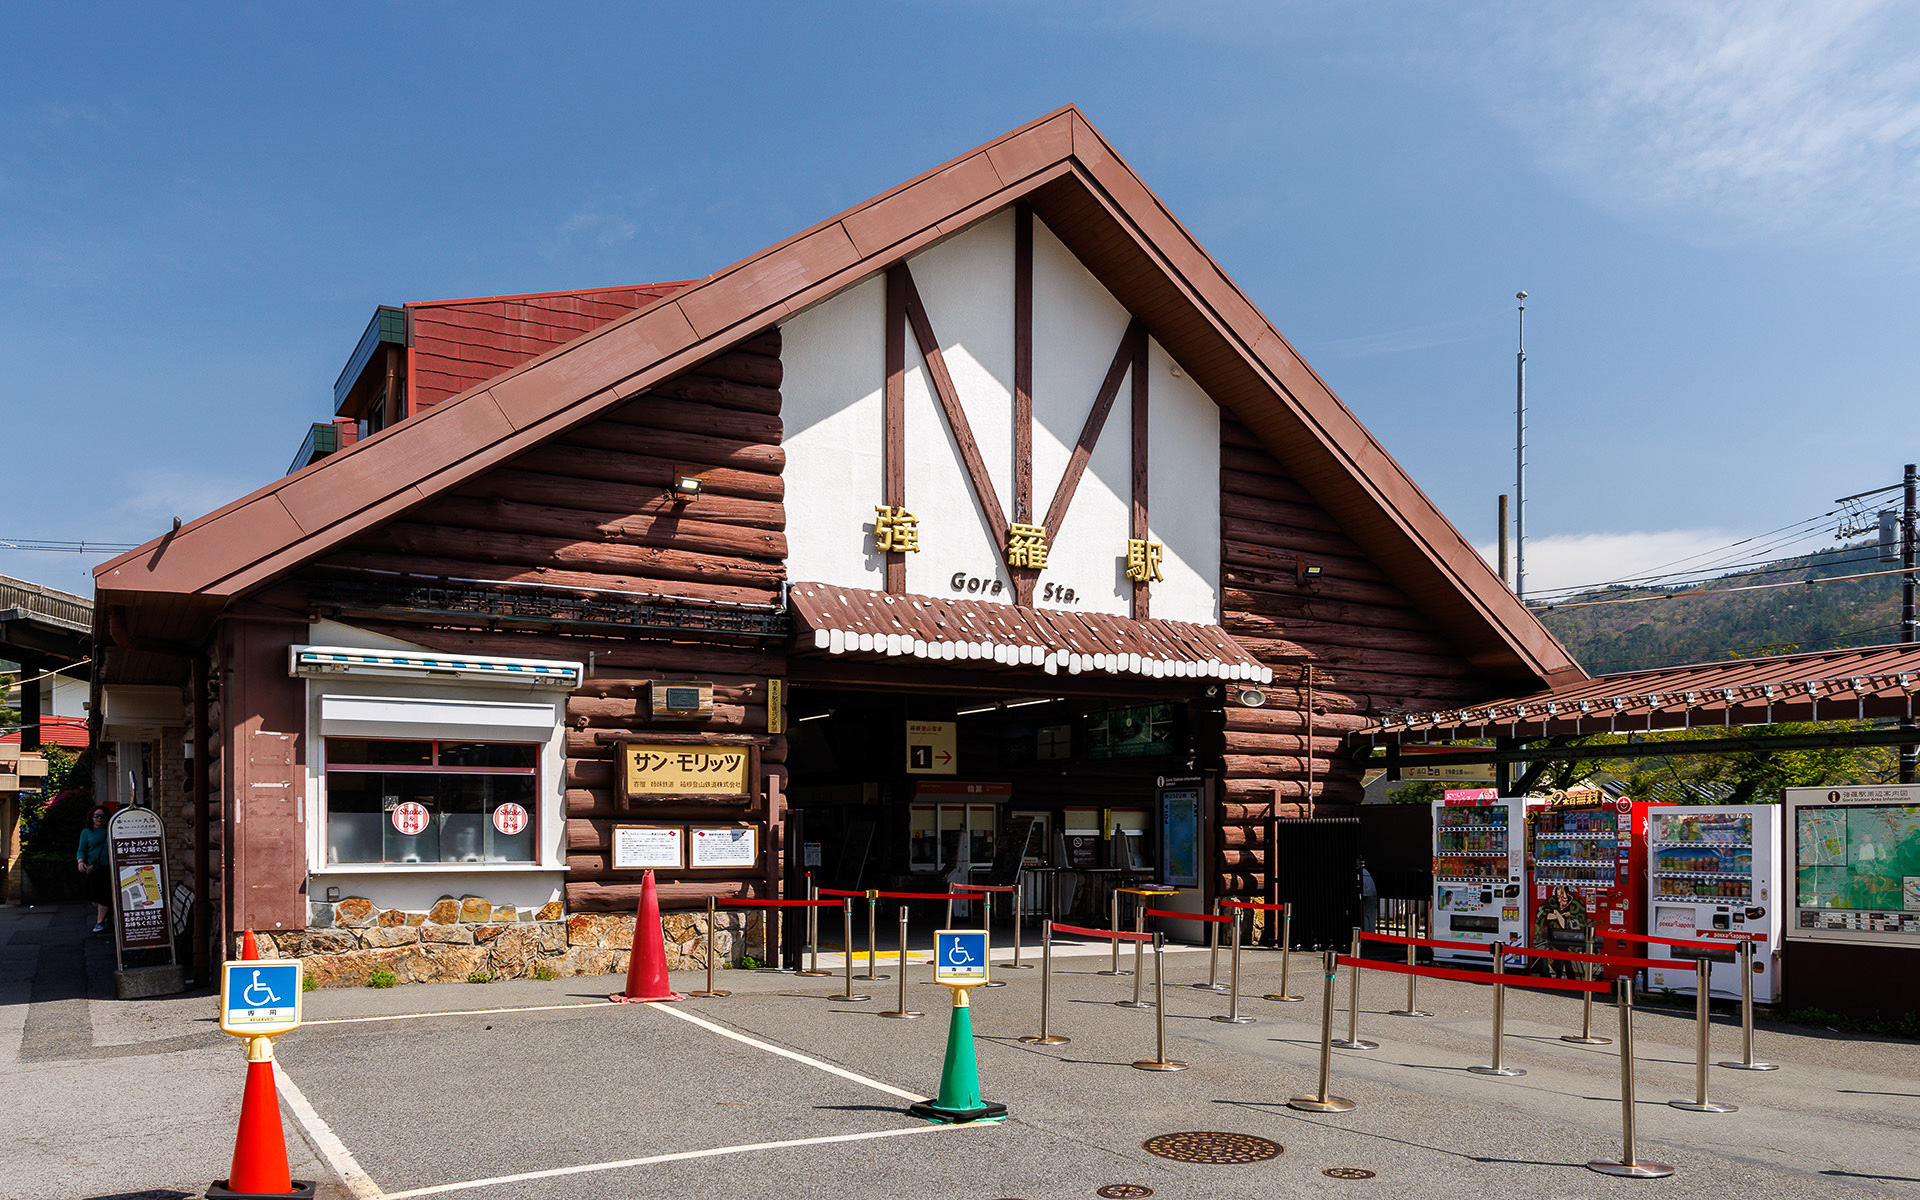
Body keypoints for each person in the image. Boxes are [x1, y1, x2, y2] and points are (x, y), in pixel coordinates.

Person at [76, 807, 112, 933]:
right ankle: (104, 921)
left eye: (102, 816)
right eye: (96, 816)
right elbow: (82, 849)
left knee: (106, 894)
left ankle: (101, 921)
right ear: (91, 818)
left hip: (111, 867)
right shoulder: (87, 832)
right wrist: (81, 861)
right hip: (96, 868)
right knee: (100, 894)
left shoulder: (111, 830)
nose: (99, 818)